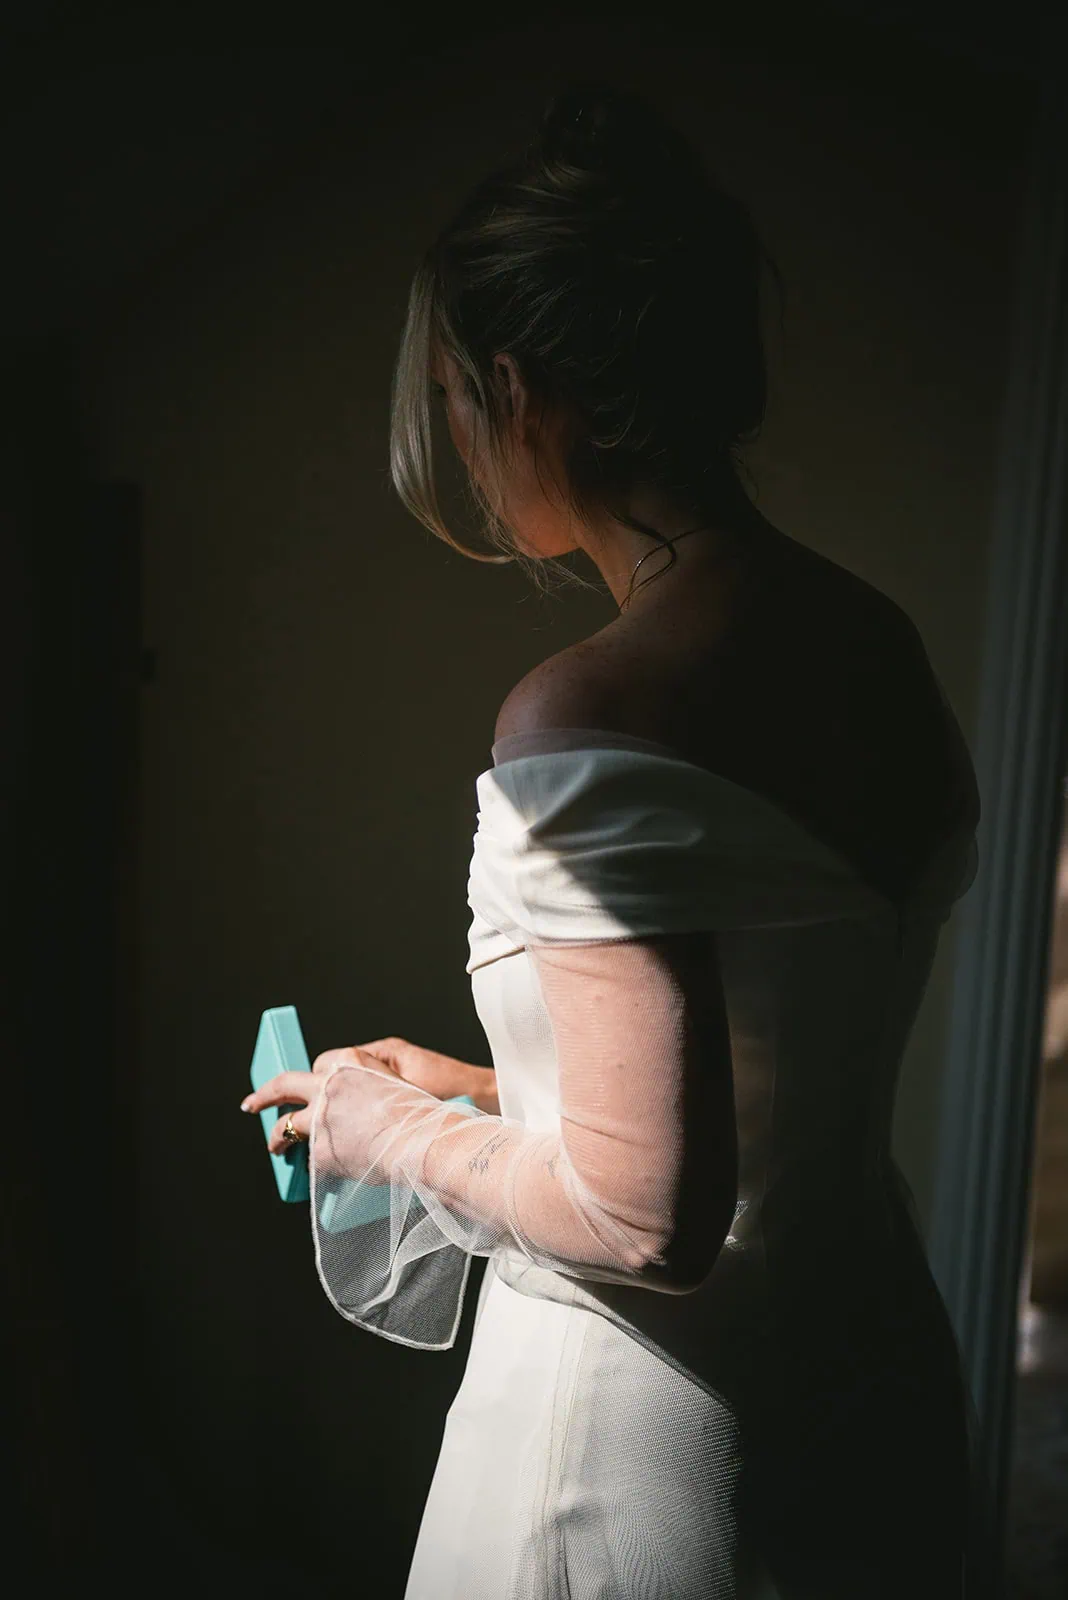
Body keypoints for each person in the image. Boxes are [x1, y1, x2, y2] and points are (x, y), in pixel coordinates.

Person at [241, 79, 983, 1599]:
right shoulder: (876, 645)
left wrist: (388, 1136)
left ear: (521, 392)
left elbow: (648, 1222)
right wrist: (472, 1084)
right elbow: (770, 1069)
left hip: (631, 1454)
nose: (464, 441)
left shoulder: (588, 710)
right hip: (866, 1401)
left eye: (457, 400)